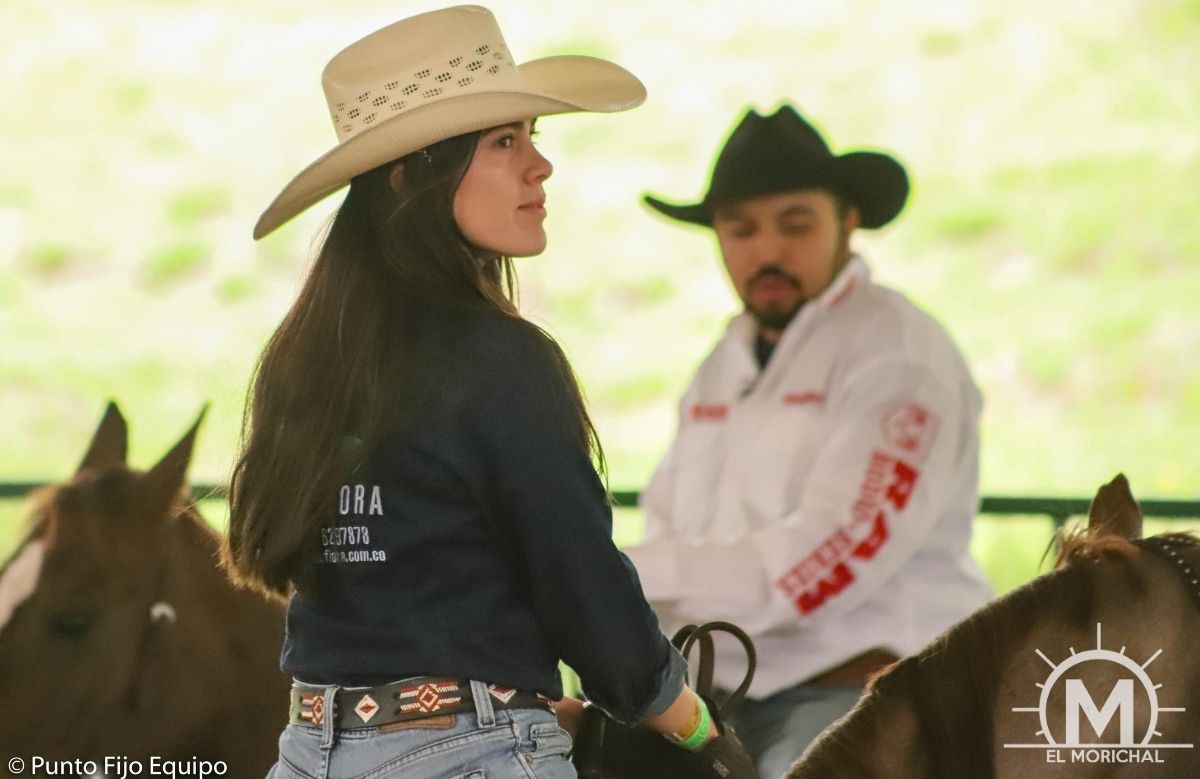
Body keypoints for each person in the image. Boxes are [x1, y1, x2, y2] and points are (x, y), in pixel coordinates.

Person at [222, 7, 753, 779]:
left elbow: (400, 596)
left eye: (533, 138)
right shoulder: (502, 359)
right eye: (504, 142)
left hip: (309, 750)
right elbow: (581, 581)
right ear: (411, 178)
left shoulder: (303, 359)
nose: (540, 167)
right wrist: (695, 723)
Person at [624, 103, 994, 778]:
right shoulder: (727, 358)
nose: (766, 252)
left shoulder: (900, 355)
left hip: (859, 690)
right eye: (740, 230)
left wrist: (623, 574)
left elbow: (824, 557)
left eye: (795, 224)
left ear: (848, 221)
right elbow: (673, 515)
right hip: (716, 694)